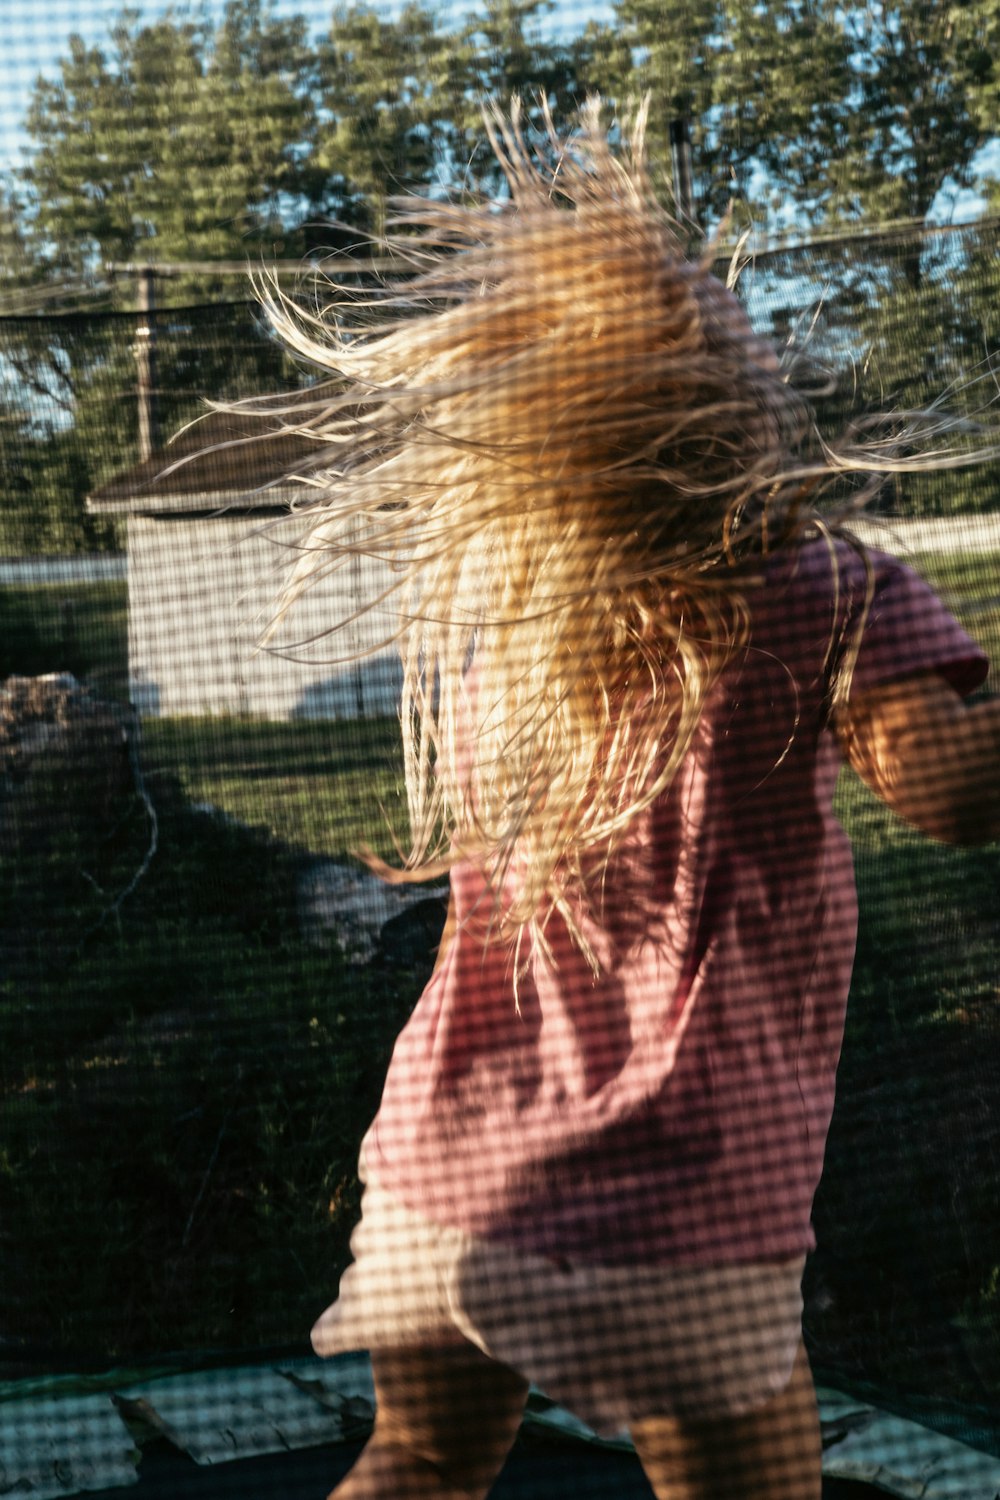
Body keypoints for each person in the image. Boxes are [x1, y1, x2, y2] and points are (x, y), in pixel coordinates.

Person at [257, 101, 999, 1499]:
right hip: (685, 1191)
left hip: (447, 1171)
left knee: (415, 1455)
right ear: (737, 419)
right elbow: (954, 794)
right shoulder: (828, 587)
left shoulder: (516, 635)